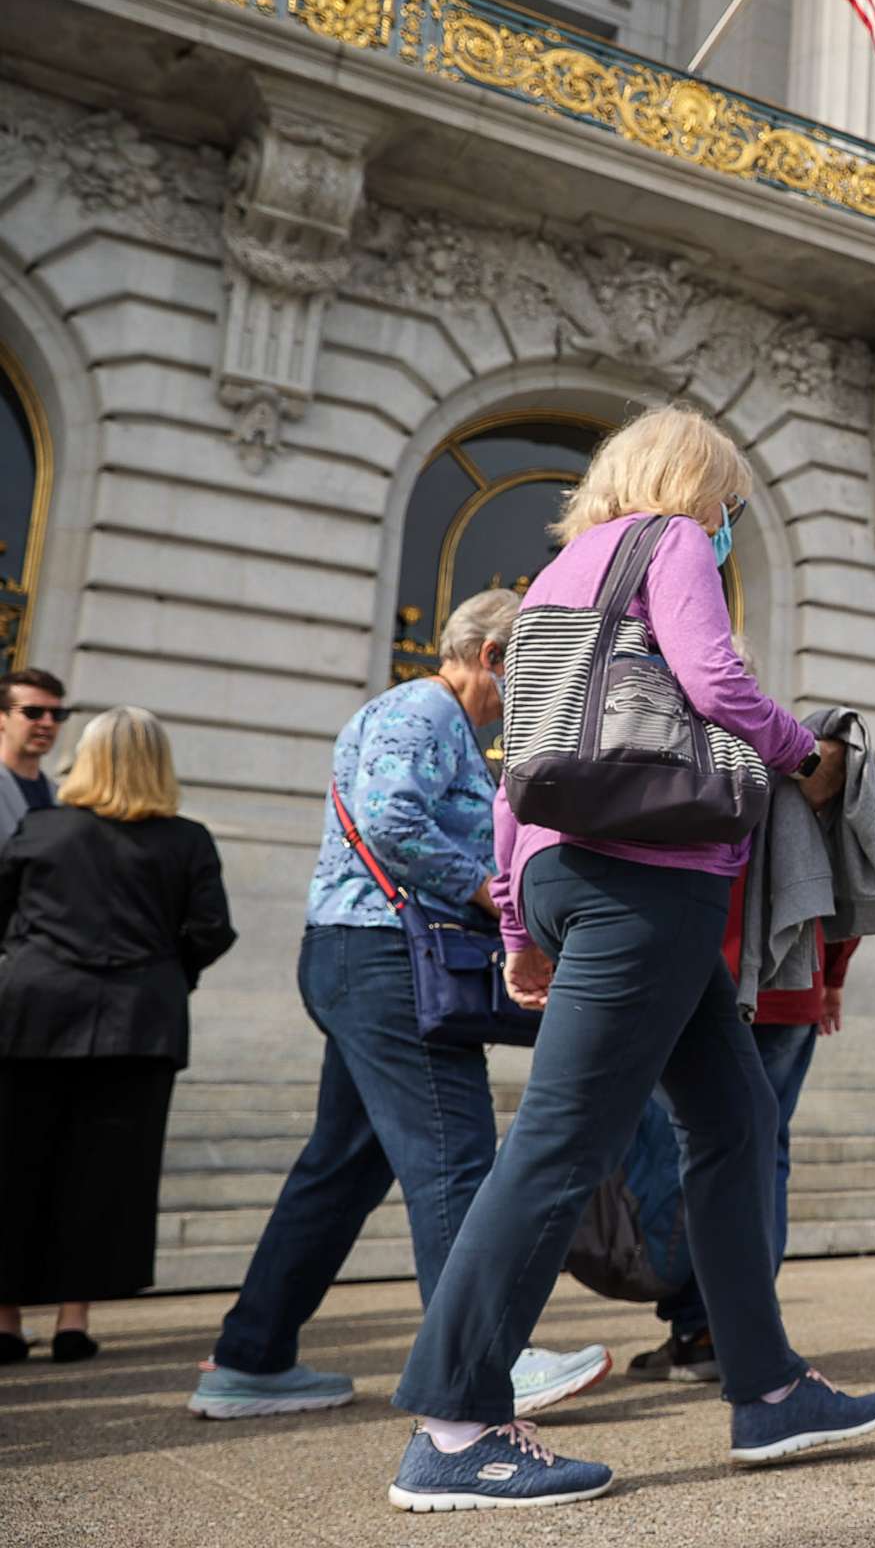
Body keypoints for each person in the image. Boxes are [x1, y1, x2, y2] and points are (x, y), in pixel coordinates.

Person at [384, 404, 875, 1511]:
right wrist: (805, 756)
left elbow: (524, 765)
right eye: (731, 504)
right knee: (561, 1147)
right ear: (694, 486)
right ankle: (456, 1425)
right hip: (646, 880)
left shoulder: (560, 576)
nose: (728, 523)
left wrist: (522, 926)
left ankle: (768, 1391)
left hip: (580, 876)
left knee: (737, 1119)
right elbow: (712, 680)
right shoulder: (667, 543)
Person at [188, 592, 607, 1422]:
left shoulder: (438, 722)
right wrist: (491, 895)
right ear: (493, 655)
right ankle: (485, 1361)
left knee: (341, 1168)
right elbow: (390, 820)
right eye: (532, 666)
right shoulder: (422, 708)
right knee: (454, 1154)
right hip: (384, 960)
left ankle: (251, 1360)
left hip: (364, 957)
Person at [0, 707, 233, 1362]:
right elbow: (211, 930)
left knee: (15, 1166)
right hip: (140, 1022)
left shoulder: (42, 829)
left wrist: (27, 961)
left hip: (33, 1016)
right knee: (106, 1179)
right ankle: (75, 1319)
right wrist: (167, 974)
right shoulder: (187, 840)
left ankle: (7, 1320)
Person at [629, 911, 857, 1382]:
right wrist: (831, 971)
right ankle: (740, 1336)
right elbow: (854, 859)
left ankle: (699, 1329)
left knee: (695, 1141)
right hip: (791, 969)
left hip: (693, 960)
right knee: (761, 1151)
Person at [0, 667, 67, 842]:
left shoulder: (64, 798)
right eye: (33, 712)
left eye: (57, 714)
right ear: (2, 718)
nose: (47, 723)